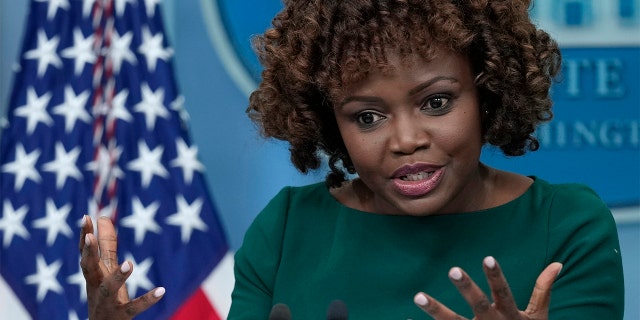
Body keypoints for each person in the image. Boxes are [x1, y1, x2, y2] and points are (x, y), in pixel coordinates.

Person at [79, 0, 625, 319]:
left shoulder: (568, 227)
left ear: (488, 90)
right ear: (327, 121)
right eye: (367, 116)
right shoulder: (289, 230)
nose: (405, 139)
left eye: (436, 102)